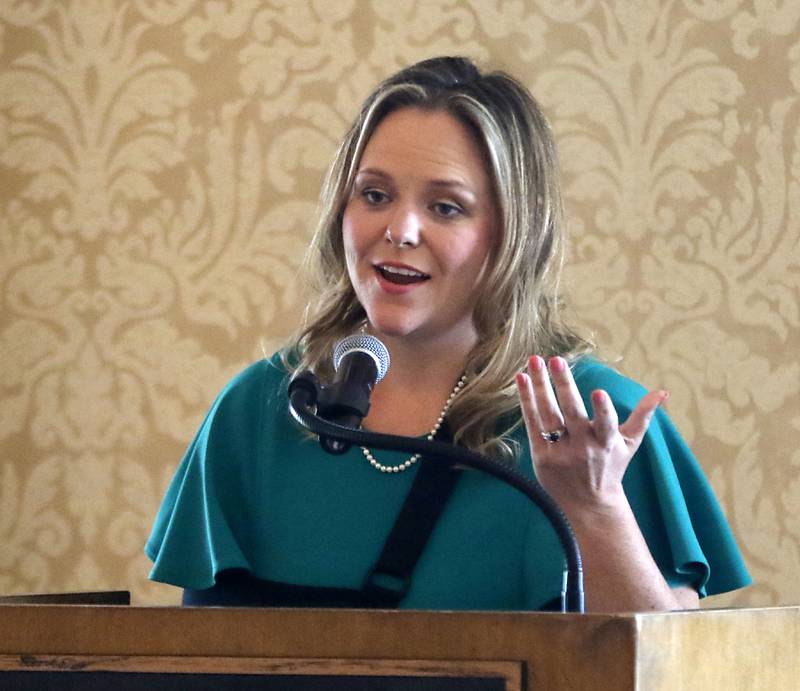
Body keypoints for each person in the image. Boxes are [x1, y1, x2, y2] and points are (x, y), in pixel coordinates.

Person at [145, 56, 751, 612]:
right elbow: (200, 658)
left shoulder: (593, 423)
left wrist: (594, 508)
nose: (400, 230)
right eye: (374, 195)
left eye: (446, 207)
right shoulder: (264, 410)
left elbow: (665, 674)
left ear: (513, 231)